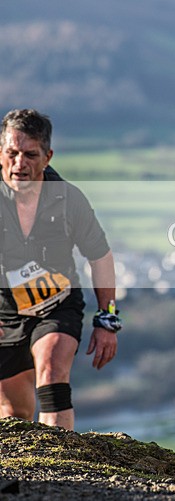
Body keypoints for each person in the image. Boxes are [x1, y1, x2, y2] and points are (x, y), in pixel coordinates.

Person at [0, 109, 121, 431]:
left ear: (48, 156)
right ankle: (26, 481)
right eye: (11, 153)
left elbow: (101, 257)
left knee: (52, 374)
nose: (19, 164)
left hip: (57, 305)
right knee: (13, 411)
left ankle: (64, 467)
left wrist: (107, 319)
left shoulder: (69, 200)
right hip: (4, 312)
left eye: (30, 155)